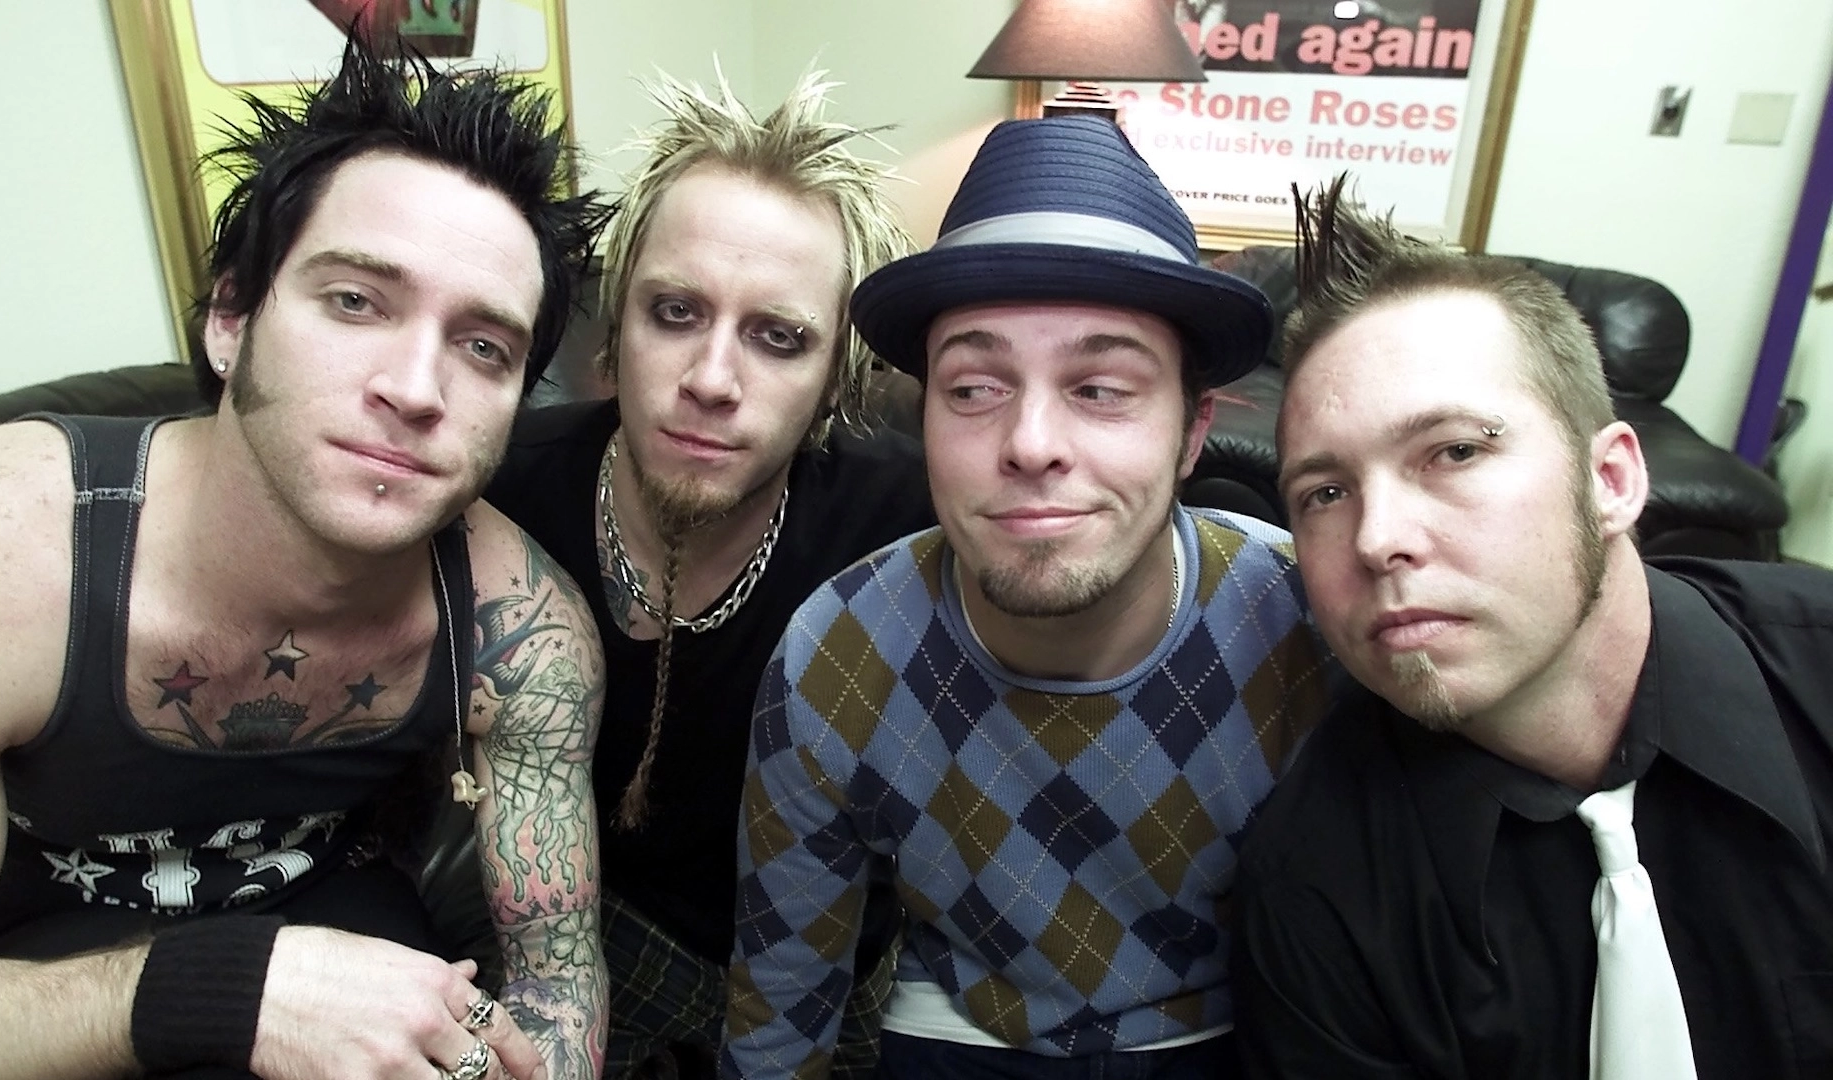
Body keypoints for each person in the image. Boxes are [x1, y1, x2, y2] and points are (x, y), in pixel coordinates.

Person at [0, 39, 612, 1080]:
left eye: (484, 347)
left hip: (357, 941)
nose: (416, 388)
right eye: (356, 301)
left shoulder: (525, 633)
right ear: (230, 320)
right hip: (21, 999)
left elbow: (558, 991)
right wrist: (227, 988)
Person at [721, 116, 1333, 1080]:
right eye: (974, 388)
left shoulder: (1312, 620)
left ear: (1192, 431)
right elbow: (780, 1005)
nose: (1032, 443)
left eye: (1101, 388)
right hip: (958, 1034)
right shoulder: (836, 656)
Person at [1232, 179, 1833, 1078]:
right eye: (1325, 493)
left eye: (1455, 451)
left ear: (1612, 481)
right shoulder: (1315, 879)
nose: (1377, 538)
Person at [481, 69, 931, 1078]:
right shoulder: (503, 492)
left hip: (830, 961)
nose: (713, 381)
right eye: (675, 312)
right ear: (614, 330)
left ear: (834, 378)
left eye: (779, 338)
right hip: (596, 930)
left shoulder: (908, 523)